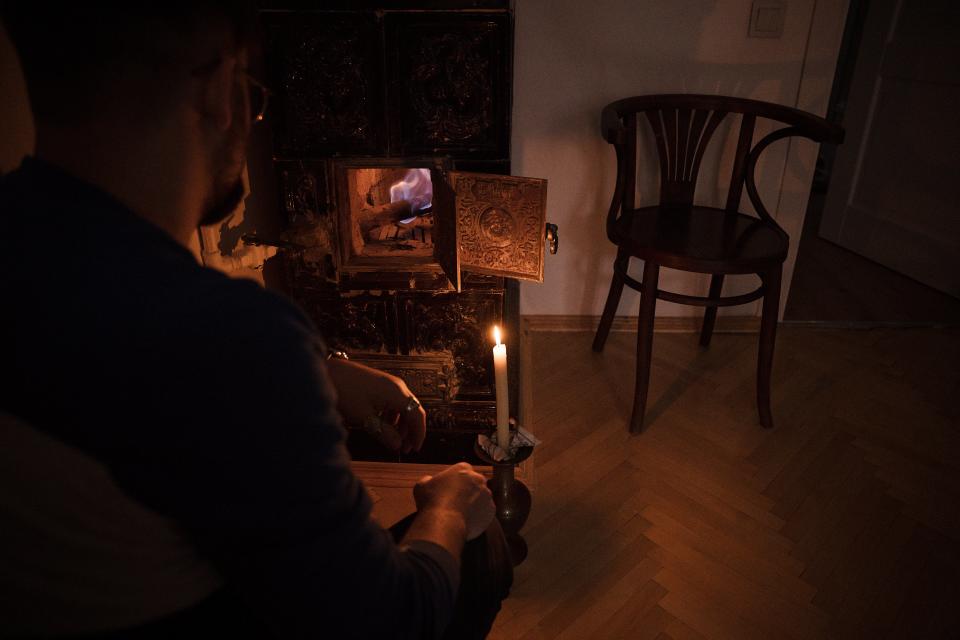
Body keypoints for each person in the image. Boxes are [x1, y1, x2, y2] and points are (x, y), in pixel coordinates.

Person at [0, 3, 511, 638]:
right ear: (221, 94)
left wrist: (325, 374)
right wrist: (449, 508)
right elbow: (395, 622)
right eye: (254, 91)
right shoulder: (231, 336)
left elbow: (129, 387)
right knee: (483, 545)